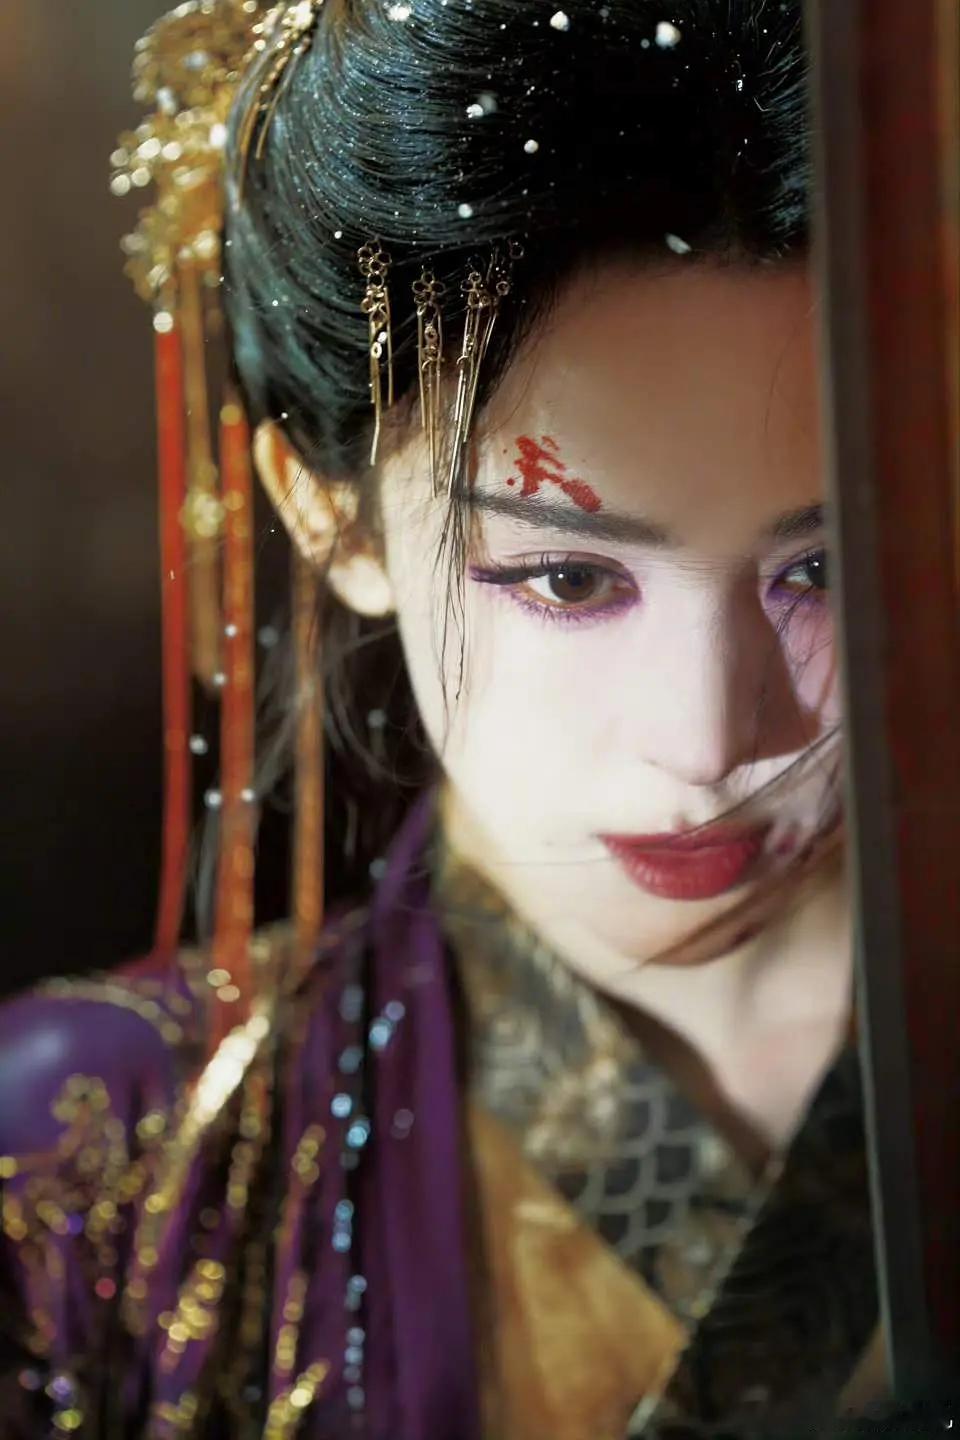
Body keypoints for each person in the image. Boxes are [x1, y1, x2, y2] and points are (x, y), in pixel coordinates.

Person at [0, 0, 887, 1435]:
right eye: (569, 577)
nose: (714, 739)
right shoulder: (75, 1175)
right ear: (331, 515)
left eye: (826, 567)